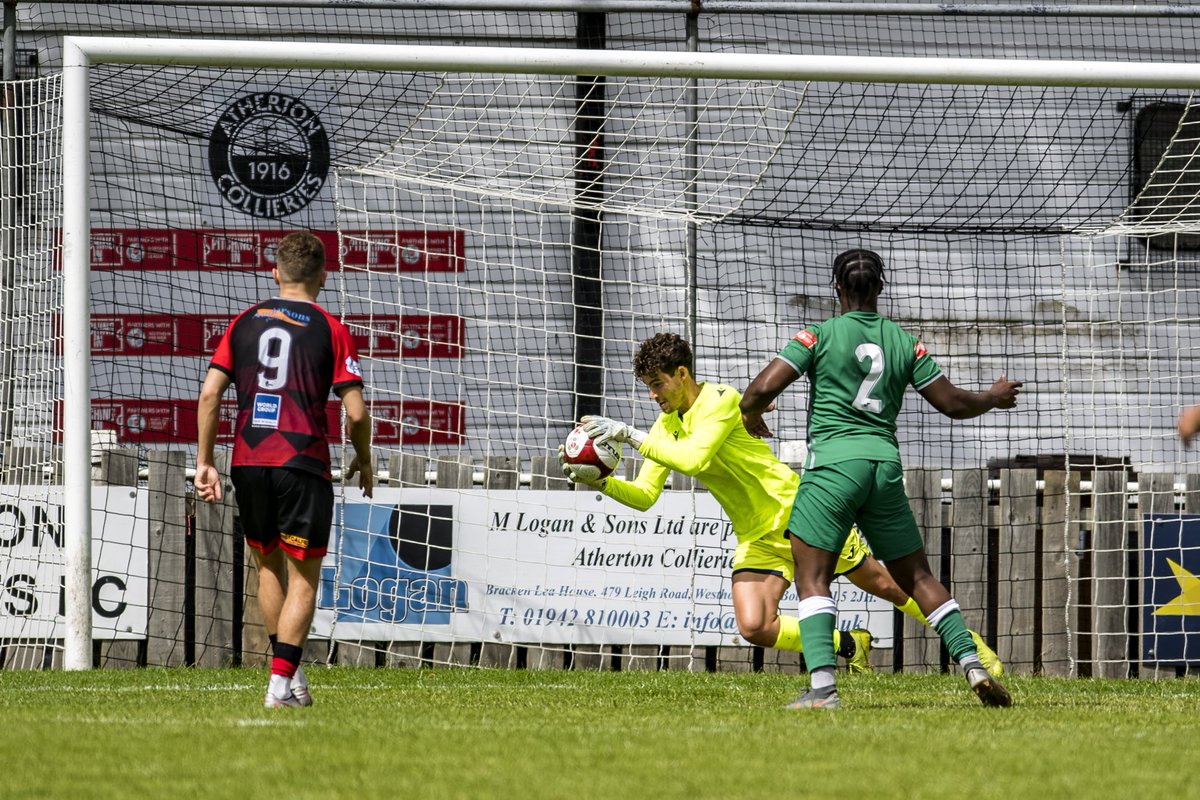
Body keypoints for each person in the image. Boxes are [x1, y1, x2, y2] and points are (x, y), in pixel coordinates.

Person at [558, 332, 1002, 677]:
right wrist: (601, 481)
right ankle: (849, 646)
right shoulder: (662, 426)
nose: (653, 395)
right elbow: (646, 496)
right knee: (754, 626)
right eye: (648, 388)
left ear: (682, 373)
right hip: (755, 534)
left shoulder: (721, 401)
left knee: (887, 586)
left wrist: (630, 437)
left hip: (798, 514)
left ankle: (972, 646)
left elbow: (694, 459)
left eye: (658, 384)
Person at [740, 248, 1021, 709]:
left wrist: (750, 415)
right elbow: (951, 404)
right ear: (881, 288)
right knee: (918, 577)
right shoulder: (905, 342)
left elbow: (761, 389)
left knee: (813, 579)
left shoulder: (818, 335)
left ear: (836, 289)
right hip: (884, 468)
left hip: (832, 468)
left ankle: (823, 690)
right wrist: (991, 397)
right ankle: (971, 664)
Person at [194, 231, 374, 709]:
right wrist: (365, 456)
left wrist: (204, 462)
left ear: (275, 272)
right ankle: (278, 686)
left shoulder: (243, 322)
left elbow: (210, 394)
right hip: (301, 461)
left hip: (249, 460)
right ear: (323, 276)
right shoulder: (330, 327)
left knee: (267, 566)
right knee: (304, 577)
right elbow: (355, 412)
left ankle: (290, 680)